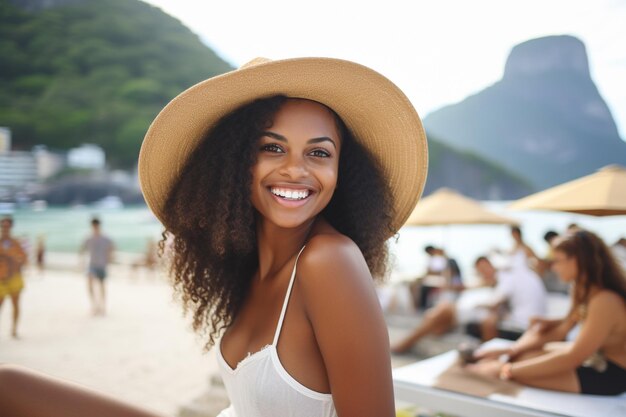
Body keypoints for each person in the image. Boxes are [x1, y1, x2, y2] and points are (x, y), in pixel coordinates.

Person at [0, 57, 428, 417]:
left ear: (342, 172)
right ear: (235, 162)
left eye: (318, 153)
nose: (296, 170)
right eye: (272, 148)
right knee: (10, 387)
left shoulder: (329, 261)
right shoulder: (248, 265)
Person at [466, 230, 626, 396]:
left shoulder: (605, 300)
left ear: (578, 260)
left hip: (610, 373)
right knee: (524, 353)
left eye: (557, 261)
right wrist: (510, 350)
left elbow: (574, 356)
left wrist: (505, 370)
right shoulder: (582, 290)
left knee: (518, 367)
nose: (553, 267)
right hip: (592, 359)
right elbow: (562, 329)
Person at [391, 256, 546, 354]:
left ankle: (405, 344)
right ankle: (407, 342)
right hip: (468, 313)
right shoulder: (491, 283)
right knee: (439, 313)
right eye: (481, 270)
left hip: (482, 317)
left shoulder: (505, 281)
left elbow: (496, 306)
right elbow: (469, 288)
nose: (485, 271)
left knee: (442, 311)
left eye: (486, 267)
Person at [0, 216, 27, 339]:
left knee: (15, 304)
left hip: (14, 277)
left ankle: (14, 329)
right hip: (1, 278)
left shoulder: (16, 243)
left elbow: (24, 259)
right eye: (3, 226)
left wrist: (15, 259)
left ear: (11, 227)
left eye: (7, 226)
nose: (5, 228)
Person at [80, 218, 114, 316]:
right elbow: (82, 250)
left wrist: (109, 260)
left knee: (102, 286)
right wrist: (81, 263)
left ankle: (102, 306)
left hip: (102, 265)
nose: (95, 227)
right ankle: (94, 305)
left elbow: (111, 249)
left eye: (96, 226)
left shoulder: (106, 238)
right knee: (90, 281)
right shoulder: (88, 238)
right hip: (92, 265)